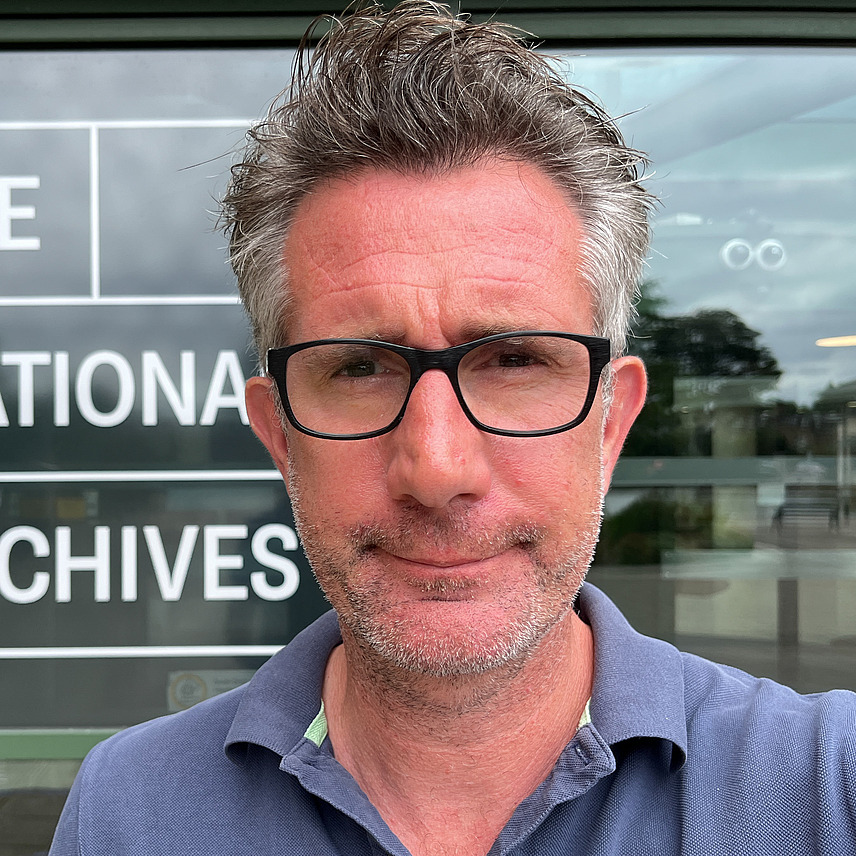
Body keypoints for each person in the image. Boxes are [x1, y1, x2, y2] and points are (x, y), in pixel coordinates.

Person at [50, 3, 856, 855]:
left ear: (612, 420)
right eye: (359, 369)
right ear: (279, 432)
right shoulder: (129, 812)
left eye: (513, 362)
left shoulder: (826, 788)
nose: (436, 468)